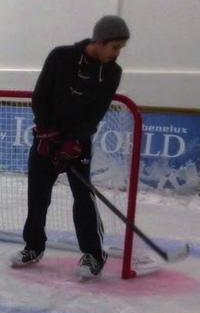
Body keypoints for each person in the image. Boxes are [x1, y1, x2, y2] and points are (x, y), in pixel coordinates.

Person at [11, 15, 130, 279]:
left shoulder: (112, 72)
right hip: (46, 137)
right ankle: (33, 246)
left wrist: (74, 142)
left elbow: (95, 113)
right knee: (38, 196)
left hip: (77, 142)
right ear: (99, 42)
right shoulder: (60, 57)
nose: (117, 54)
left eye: (121, 48)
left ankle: (93, 254)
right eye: (115, 47)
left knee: (83, 198)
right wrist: (47, 131)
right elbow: (40, 95)